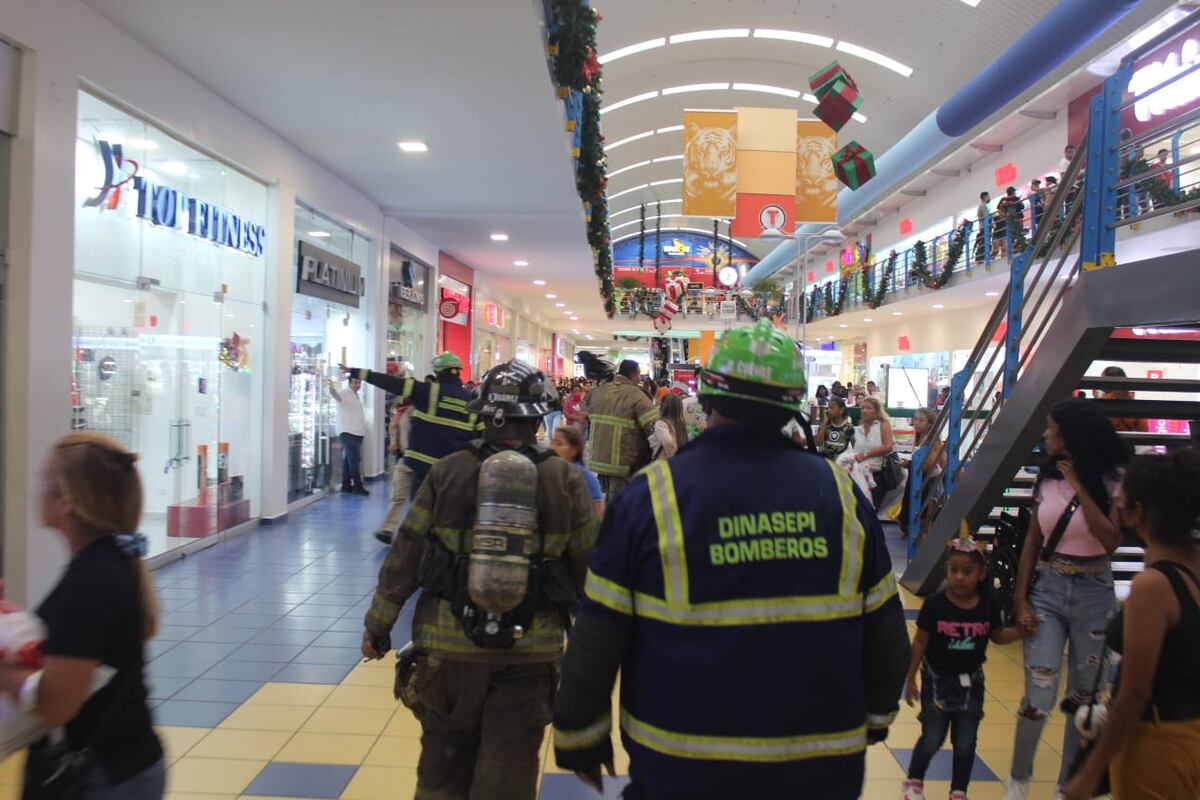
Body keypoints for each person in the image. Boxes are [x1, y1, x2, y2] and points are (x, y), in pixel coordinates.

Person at [552, 319, 910, 800]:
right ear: (791, 401)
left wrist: (579, 734)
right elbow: (886, 624)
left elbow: (600, 627)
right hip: (818, 762)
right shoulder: (841, 494)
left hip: (683, 763)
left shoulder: (653, 496)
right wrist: (875, 719)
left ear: (708, 395)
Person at [360, 360, 598, 800]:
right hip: (531, 656)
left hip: (447, 656)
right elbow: (591, 572)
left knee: (441, 776)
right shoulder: (566, 479)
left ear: (483, 414)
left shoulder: (447, 471)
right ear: (537, 417)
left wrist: (378, 625)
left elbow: (406, 554)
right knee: (508, 779)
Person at [0, 433, 165, 798]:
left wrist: (7, 675)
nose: (35, 491)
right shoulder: (108, 563)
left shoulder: (91, 580)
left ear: (67, 501)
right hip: (128, 764)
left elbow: (58, 704)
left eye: (44, 480)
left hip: (108, 777)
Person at [1004, 399, 1130, 800]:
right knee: (1037, 696)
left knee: (1083, 697)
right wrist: (1020, 598)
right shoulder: (1045, 479)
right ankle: (1018, 781)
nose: (1045, 434)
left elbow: (1110, 541)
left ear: (1069, 434)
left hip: (1095, 590)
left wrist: (1079, 484)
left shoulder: (1113, 481)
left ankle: (1067, 785)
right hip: (1049, 587)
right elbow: (1031, 542)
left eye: (1050, 427)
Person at [1063, 449, 1200, 800]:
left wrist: (1091, 773)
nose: (1117, 505)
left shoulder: (1153, 586)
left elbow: (1136, 692)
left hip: (1158, 744)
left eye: (1122, 500)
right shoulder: (1193, 567)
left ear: (1138, 512)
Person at [902, 537, 1025, 800]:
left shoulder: (988, 604)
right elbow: (921, 640)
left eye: (967, 572)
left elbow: (998, 635)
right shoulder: (935, 604)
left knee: (966, 742)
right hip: (937, 680)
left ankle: (958, 791)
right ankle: (914, 781)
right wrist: (910, 677)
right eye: (953, 570)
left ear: (981, 574)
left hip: (972, 682)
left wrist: (1021, 632)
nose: (959, 577)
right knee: (933, 737)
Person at [342, 353, 483, 545]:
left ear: (438, 373)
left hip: (420, 465)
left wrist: (357, 372)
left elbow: (391, 383)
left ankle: (416, 549)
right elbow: (481, 438)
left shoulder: (428, 392)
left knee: (419, 510)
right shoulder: (472, 402)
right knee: (445, 513)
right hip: (452, 470)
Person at [584, 358, 658, 497]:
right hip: (623, 462)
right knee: (621, 505)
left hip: (600, 459)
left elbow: (585, 408)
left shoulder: (600, 391)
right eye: (639, 374)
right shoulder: (636, 395)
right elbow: (654, 427)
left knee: (610, 502)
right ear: (634, 375)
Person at [901, 407, 947, 541]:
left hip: (931, 479)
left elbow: (931, 463)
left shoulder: (931, 440)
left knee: (928, 509)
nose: (917, 423)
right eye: (915, 419)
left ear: (929, 424)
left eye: (921, 420)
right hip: (925, 478)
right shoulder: (923, 438)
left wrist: (910, 464)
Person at [376, 399, 414, 543]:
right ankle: (388, 529)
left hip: (419, 460)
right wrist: (393, 443)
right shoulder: (399, 412)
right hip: (404, 459)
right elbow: (395, 431)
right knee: (398, 495)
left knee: (419, 499)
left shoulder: (415, 412)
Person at [849, 396, 895, 509]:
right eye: (863, 408)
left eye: (869, 408)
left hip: (876, 475)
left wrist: (865, 454)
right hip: (858, 474)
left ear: (877, 411)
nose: (864, 411)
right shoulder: (858, 429)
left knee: (870, 510)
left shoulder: (883, 424)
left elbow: (888, 446)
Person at [328, 373, 369, 496]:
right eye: (355, 382)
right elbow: (335, 395)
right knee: (354, 459)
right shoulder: (345, 393)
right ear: (350, 382)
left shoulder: (356, 396)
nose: (357, 385)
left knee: (349, 459)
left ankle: (346, 485)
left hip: (356, 432)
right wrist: (331, 387)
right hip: (347, 431)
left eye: (359, 383)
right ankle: (358, 486)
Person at [550, 425, 604, 517]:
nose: (552, 448)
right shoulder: (551, 471)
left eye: (559, 444)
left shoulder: (585, 478)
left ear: (574, 450)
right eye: (552, 442)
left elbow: (599, 515)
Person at [1092, 365, 1149, 433]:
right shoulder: (1134, 403)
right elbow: (1144, 429)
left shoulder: (1104, 402)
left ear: (1108, 381)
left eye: (1102, 378)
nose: (1100, 382)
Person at [652, 392, 688, 459]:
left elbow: (667, 442)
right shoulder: (682, 424)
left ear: (663, 406)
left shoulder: (661, 424)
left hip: (663, 463)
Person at [975, 191, 992, 262]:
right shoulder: (983, 206)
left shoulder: (982, 206)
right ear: (984, 197)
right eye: (988, 196)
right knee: (985, 242)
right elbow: (986, 217)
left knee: (985, 242)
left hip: (984, 227)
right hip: (984, 227)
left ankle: (981, 258)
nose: (989, 198)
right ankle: (981, 258)